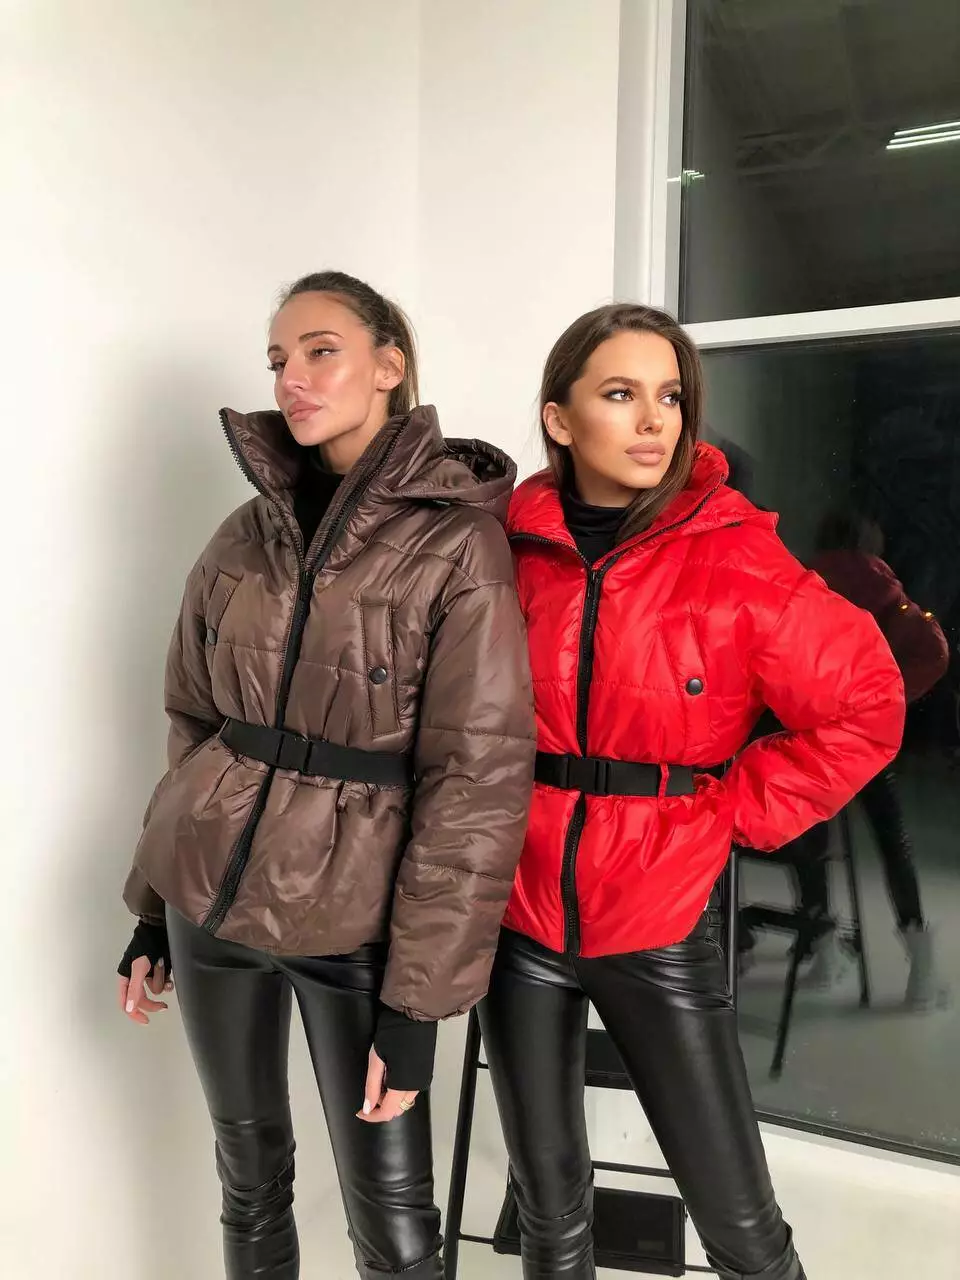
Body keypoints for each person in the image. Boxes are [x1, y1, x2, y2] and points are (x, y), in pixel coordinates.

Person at [116, 271, 536, 1280]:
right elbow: (194, 723)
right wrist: (152, 909)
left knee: (393, 1222)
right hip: (209, 911)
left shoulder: (459, 545)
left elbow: (475, 782)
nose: (291, 379)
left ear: (390, 365)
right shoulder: (243, 533)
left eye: (319, 351)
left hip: (356, 926)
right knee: (248, 1175)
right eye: (277, 359)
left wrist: (419, 1004)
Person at [478, 304, 905, 1280]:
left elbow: (867, 702)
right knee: (548, 1210)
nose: (653, 420)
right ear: (558, 418)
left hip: (660, 915)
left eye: (670, 396)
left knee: (740, 1224)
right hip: (517, 912)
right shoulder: (502, 550)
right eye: (620, 393)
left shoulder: (734, 553)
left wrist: (730, 812)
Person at [776, 509, 950, 1007]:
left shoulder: (801, 580)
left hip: (810, 735)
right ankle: (919, 969)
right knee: (892, 842)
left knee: (811, 841)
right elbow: (934, 651)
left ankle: (824, 951)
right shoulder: (887, 591)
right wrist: (889, 696)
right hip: (865, 739)